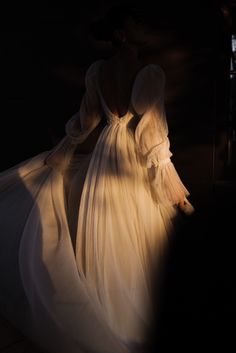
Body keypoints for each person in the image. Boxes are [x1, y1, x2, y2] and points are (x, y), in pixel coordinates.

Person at [0, 4, 194, 353]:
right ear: (121, 34)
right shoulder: (150, 73)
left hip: (104, 154)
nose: (142, 28)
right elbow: (152, 138)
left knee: (106, 231)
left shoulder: (98, 71)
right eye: (135, 23)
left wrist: (63, 149)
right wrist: (174, 191)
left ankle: (104, 308)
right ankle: (122, 321)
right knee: (132, 237)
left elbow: (87, 121)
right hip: (125, 159)